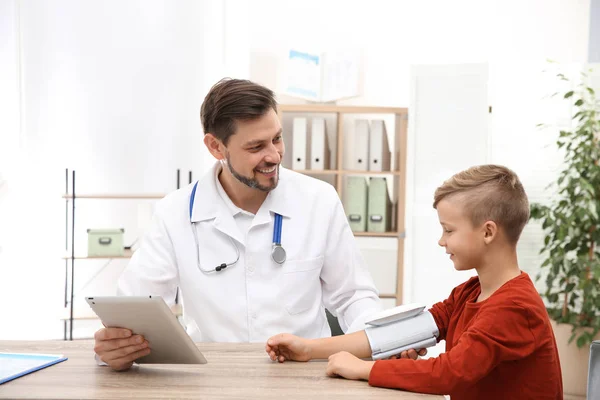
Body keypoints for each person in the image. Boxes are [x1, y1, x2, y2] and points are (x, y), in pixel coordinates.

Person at [93, 78, 384, 371]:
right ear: (216, 147)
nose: (273, 156)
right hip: (214, 378)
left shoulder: (319, 200)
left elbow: (353, 296)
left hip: (303, 378)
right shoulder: (175, 212)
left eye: (277, 139)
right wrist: (117, 348)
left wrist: (383, 341)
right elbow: (135, 309)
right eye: (256, 146)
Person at [266, 165, 563, 400]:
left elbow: (449, 373)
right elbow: (400, 334)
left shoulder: (514, 307)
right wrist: (308, 348)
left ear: (488, 232)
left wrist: (364, 369)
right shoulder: (469, 292)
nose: (441, 241)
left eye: (448, 230)